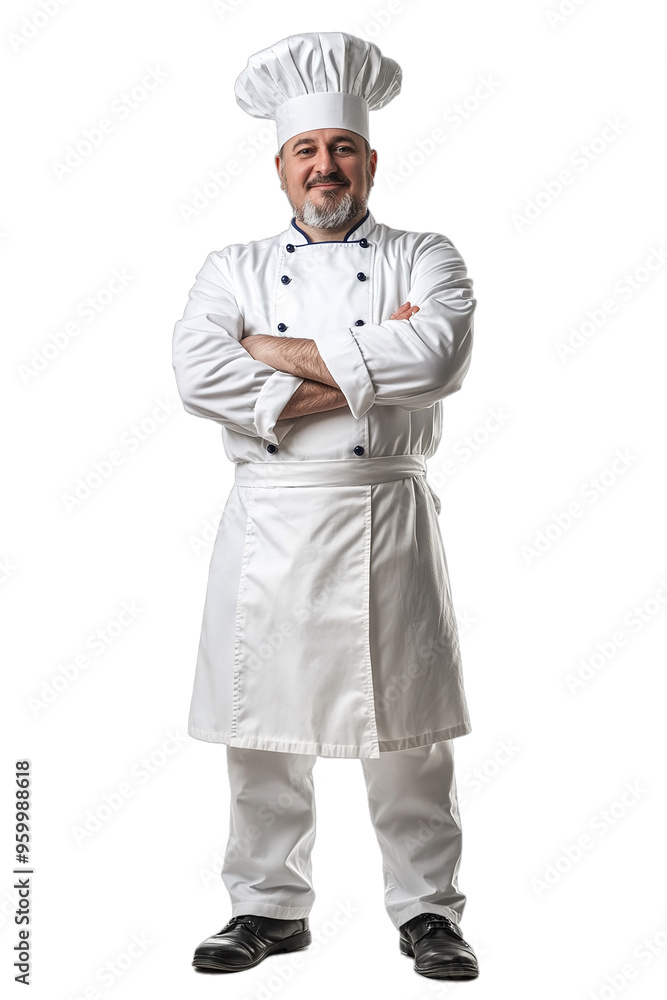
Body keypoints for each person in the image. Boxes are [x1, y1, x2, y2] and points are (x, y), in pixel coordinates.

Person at [172, 31, 479, 982]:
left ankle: (428, 910)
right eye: (305, 149)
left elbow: (436, 358)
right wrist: (368, 364)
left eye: (342, 147)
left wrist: (264, 352)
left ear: (370, 161)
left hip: (386, 516)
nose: (325, 165)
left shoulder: (425, 255)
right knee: (261, 731)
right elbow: (198, 377)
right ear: (279, 167)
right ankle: (266, 908)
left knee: (410, 734)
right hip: (270, 519)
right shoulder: (229, 267)